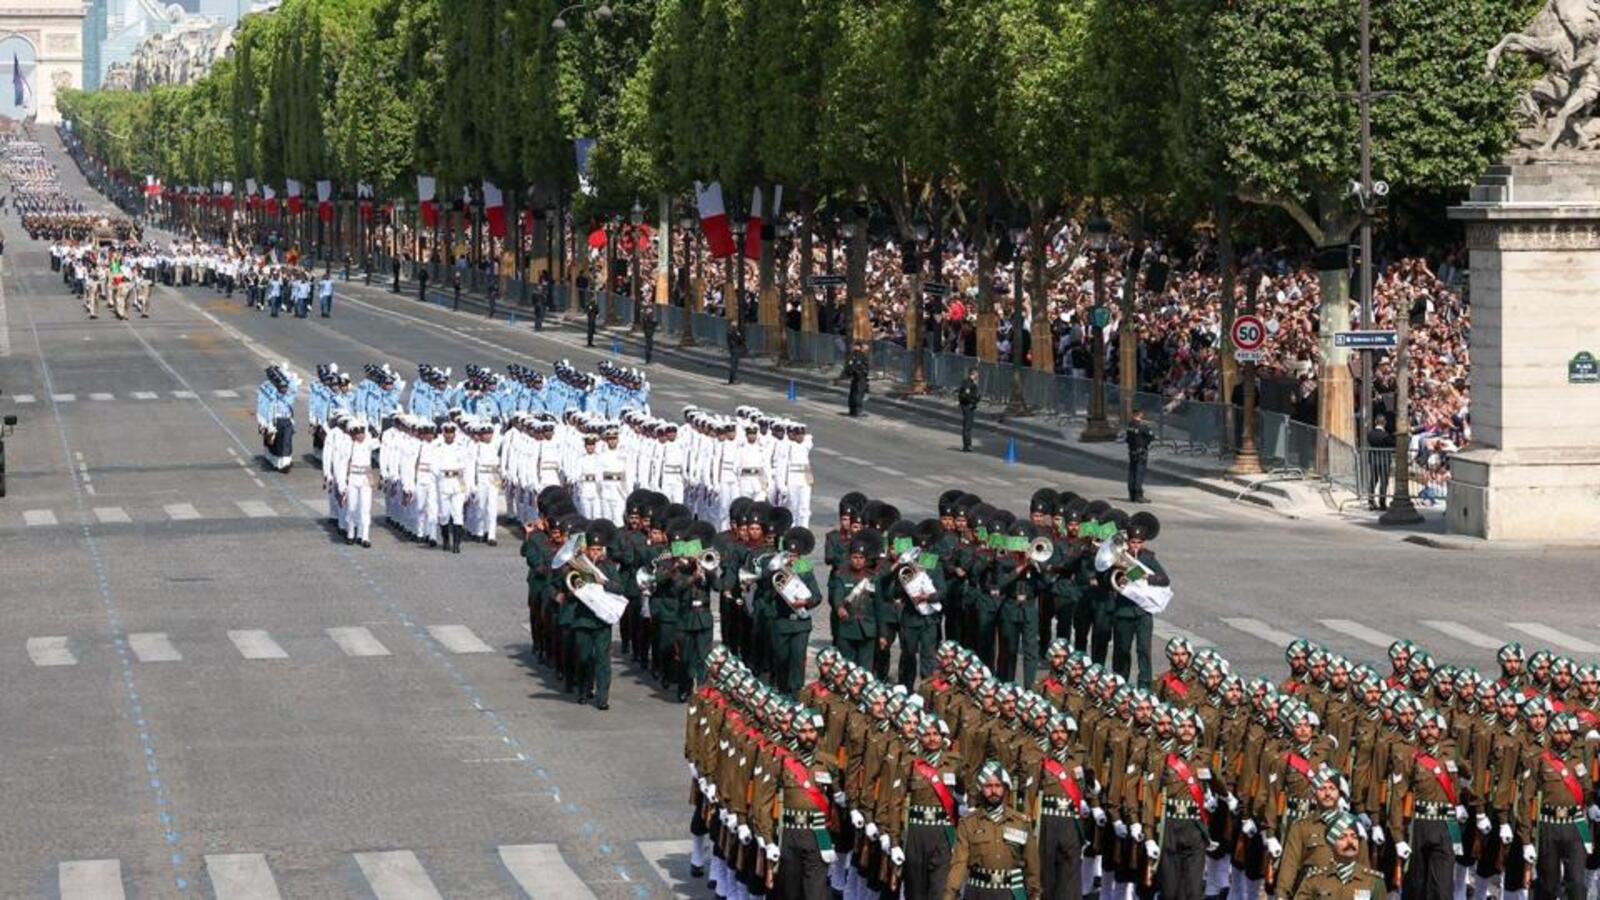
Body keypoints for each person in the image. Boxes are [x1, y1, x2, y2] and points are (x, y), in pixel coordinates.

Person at [944, 760, 1041, 899]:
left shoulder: (1020, 822)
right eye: (988, 786)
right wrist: (950, 895)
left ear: (1005, 788)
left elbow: (1032, 866)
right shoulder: (968, 823)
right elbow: (959, 864)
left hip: (1010, 894)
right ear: (981, 789)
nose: (993, 791)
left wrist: (1035, 895)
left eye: (998, 786)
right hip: (978, 893)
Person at [1125, 409, 1154, 503]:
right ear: (1140, 414)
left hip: (1132, 451)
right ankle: (1138, 495)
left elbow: (1127, 439)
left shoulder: (1129, 425)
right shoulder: (1143, 426)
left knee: (1132, 472)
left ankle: (1132, 494)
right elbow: (1152, 437)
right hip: (1141, 452)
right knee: (1139, 473)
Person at [1366, 419, 1394, 510]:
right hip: (1384, 461)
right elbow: (1392, 445)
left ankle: (1370, 501)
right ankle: (1382, 502)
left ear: (1375, 423)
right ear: (1384, 423)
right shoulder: (1385, 435)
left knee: (1373, 481)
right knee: (1384, 482)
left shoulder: (1370, 434)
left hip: (1374, 460)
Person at [958, 369, 979, 451]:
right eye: (977, 374)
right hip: (967, 406)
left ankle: (967, 445)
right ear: (973, 374)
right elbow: (965, 395)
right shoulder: (968, 383)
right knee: (967, 426)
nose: (978, 376)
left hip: (969, 406)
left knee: (968, 425)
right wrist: (972, 401)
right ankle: (967, 445)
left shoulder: (971, 383)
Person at [846, 341, 869, 417]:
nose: (867, 348)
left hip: (855, 377)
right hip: (860, 377)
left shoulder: (853, 355)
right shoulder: (860, 355)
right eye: (865, 346)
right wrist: (860, 373)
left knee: (854, 393)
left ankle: (852, 410)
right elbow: (858, 366)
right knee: (858, 394)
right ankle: (857, 410)